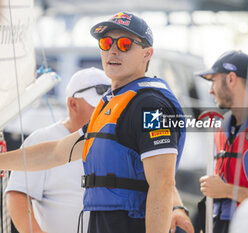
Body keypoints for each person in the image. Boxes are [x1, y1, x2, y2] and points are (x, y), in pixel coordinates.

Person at [0, 11, 194, 233]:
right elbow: (56, 152)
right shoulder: (112, 105)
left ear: (147, 54)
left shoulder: (151, 105)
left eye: (124, 44)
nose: (113, 50)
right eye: (106, 42)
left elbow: (162, 184)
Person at [5, 67, 111, 233]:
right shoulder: (41, 139)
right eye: (97, 107)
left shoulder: (118, 141)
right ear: (72, 104)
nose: (104, 113)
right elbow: (17, 195)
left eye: (107, 107)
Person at [196, 51, 248, 233]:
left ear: (231, 79)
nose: (210, 90)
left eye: (214, 81)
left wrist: (227, 191)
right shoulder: (220, 129)